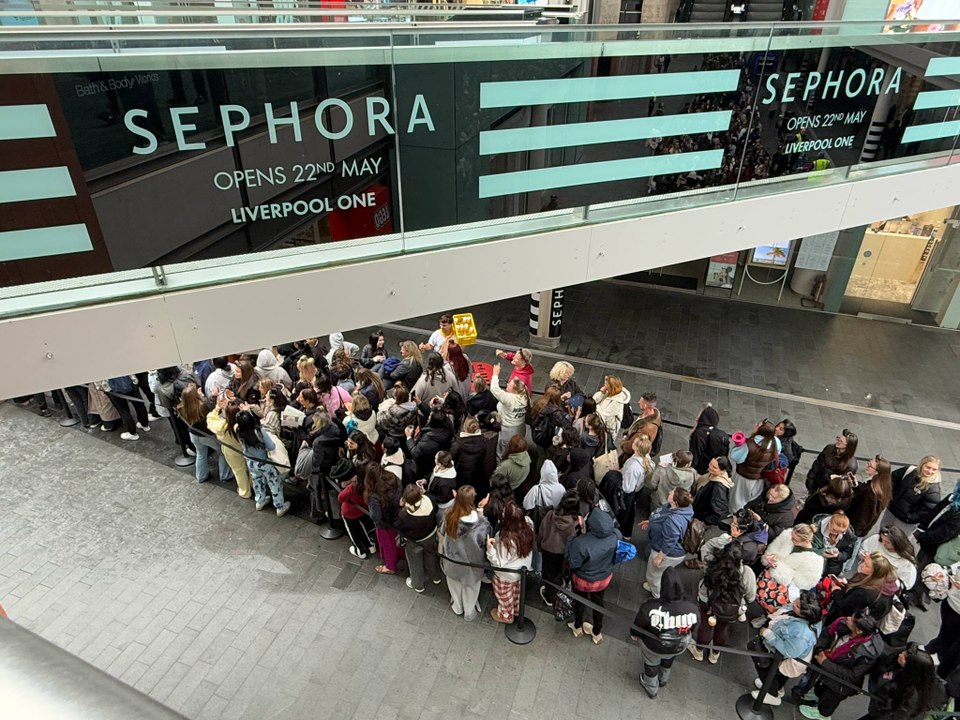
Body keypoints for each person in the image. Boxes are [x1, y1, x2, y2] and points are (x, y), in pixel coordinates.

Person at [799, 613, 884, 720]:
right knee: (822, 689)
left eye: (852, 621)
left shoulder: (866, 654)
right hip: (828, 671)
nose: (848, 618)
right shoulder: (842, 625)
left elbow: (852, 675)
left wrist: (826, 663)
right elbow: (827, 634)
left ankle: (822, 714)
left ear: (858, 631)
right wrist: (821, 649)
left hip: (841, 684)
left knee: (829, 699)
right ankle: (817, 697)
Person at [631, 568, 700, 699]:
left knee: (651, 664)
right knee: (669, 658)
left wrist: (634, 634)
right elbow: (695, 627)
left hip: (653, 645)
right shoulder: (692, 608)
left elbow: (638, 626)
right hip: (678, 644)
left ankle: (651, 688)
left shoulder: (650, 607)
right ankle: (663, 679)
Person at [749, 591, 822, 706]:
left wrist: (768, 635)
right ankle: (775, 688)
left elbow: (788, 651)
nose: (793, 603)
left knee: (765, 666)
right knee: (778, 673)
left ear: (805, 614)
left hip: (785, 656)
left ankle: (771, 693)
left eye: (797, 605)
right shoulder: (808, 618)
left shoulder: (802, 634)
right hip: (785, 654)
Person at [691, 543, 756, 664]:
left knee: (705, 626)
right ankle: (714, 654)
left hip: (708, 602)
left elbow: (705, 547)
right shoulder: (747, 573)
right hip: (730, 609)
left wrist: (721, 540)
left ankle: (698, 651)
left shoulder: (711, 563)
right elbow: (751, 597)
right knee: (722, 629)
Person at [566, 507, 621, 645]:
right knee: (598, 603)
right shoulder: (615, 536)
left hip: (583, 580)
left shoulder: (581, 543)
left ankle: (577, 626)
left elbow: (574, 563)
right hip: (603, 578)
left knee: (579, 602)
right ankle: (597, 632)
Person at [439, 486, 491, 621]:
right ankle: (469, 611)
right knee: (471, 589)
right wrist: (480, 512)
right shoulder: (481, 524)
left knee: (454, 586)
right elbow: (483, 541)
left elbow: (442, 531)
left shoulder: (448, 515)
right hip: (472, 565)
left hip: (452, 560)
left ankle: (457, 606)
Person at [857, 643, 945, 720]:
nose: (900, 654)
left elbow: (896, 715)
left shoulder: (909, 694)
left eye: (904, 657)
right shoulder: (924, 681)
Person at [756, 524, 824, 617]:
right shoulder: (787, 534)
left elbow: (804, 582)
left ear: (806, 540)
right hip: (768, 576)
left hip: (785, 588)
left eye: (795, 539)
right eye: (791, 535)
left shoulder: (815, 561)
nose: (791, 539)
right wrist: (771, 557)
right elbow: (773, 549)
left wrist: (778, 566)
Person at [234, 410, 291, 517]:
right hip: (264, 462)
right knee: (274, 482)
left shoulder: (238, 430)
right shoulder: (259, 431)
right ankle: (279, 506)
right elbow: (271, 446)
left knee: (257, 481)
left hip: (250, 461)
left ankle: (260, 501)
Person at [486, 500, 535, 623]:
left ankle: (506, 615)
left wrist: (490, 549)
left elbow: (499, 562)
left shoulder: (506, 539)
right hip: (522, 570)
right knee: (517, 592)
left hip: (506, 574)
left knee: (504, 596)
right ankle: (517, 610)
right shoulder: (529, 523)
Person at [642, 488, 694, 599]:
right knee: (659, 573)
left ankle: (656, 594)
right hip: (668, 549)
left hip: (667, 553)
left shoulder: (673, 521)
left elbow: (669, 542)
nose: (669, 491)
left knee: (654, 574)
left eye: (672, 493)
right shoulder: (683, 508)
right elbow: (660, 516)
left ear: (675, 502)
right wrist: (650, 522)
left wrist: (659, 557)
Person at [823, 551, 898, 626]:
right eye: (864, 562)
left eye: (866, 565)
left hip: (848, 621)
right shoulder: (885, 581)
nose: (862, 565)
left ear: (874, 573)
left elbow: (844, 605)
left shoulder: (866, 593)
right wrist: (846, 582)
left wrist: (836, 591)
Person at [176, 383, 230, 484]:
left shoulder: (181, 407)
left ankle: (201, 476)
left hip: (194, 435)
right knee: (223, 453)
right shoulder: (203, 406)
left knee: (201, 454)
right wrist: (213, 395)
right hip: (208, 435)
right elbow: (212, 407)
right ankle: (225, 475)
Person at [395, 484, 443, 593]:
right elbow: (435, 510)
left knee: (415, 562)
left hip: (415, 542)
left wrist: (400, 507)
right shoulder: (429, 500)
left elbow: (398, 526)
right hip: (431, 535)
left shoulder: (405, 515)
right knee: (430, 557)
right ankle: (435, 577)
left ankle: (418, 584)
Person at [538, 490, 582, 607]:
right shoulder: (576, 523)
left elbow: (541, 532)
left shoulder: (550, 515)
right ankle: (557, 586)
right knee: (559, 572)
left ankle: (549, 596)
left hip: (547, 550)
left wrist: (539, 546)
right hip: (563, 553)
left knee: (548, 574)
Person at [206, 397, 252, 499]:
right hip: (247, 449)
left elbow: (210, 419)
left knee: (239, 471)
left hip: (230, 450)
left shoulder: (221, 426)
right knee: (251, 468)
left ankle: (245, 491)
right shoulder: (244, 426)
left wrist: (217, 408)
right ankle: (254, 485)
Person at [729, 420, 779, 513]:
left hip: (743, 478)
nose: (755, 425)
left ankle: (736, 516)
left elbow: (736, 457)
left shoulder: (749, 444)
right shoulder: (776, 442)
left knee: (737, 500)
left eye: (757, 425)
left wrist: (738, 446)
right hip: (759, 478)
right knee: (752, 498)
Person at [884, 456, 943, 534]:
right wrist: (890, 497)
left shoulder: (933, 490)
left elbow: (926, 509)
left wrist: (909, 517)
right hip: (891, 511)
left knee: (897, 542)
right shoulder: (910, 471)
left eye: (934, 469)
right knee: (883, 533)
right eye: (928, 467)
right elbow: (892, 479)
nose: (930, 471)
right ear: (922, 465)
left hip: (905, 522)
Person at [364, 464, 403, 575]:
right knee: (397, 539)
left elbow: (375, 516)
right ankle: (400, 554)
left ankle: (390, 566)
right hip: (398, 515)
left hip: (385, 523)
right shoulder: (392, 477)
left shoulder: (374, 493)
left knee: (388, 544)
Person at [846, 455, 893, 537]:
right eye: (869, 461)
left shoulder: (871, 493)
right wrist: (856, 486)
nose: (867, 465)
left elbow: (863, 518)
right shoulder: (882, 486)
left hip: (852, 528)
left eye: (870, 466)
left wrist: (850, 533)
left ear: (877, 472)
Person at [490, 363, 529, 457]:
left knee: (503, 451)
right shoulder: (524, 395)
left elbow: (494, 389)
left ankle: (502, 467)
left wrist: (495, 374)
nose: (507, 384)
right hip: (520, 428)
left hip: (508, 430)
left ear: (515, 390)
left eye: (510, 385)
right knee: (517, 447)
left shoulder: (510, 399)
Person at [338, 463, 376, 560]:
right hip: (361, 511)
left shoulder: (352, 487)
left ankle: (359, 550)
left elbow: (340, 497)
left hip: (348, 512)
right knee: (361, 527)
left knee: (352, 531)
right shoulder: (368, 485)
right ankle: (370, 545)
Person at [861, 527, 918, 591]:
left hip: (880, 589)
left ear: (896, 543)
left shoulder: (906, 563)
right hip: (862, 577)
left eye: (887, 542)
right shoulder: (875, 539)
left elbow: (905, 584)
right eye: (882, 539)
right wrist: (863, 555)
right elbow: (863, 549)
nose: (883, 543)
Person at [805, 429, 859, 494]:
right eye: (838, 438)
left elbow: (841, 485)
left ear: (848, 446)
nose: (838, 441)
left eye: (841, 441)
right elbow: (817, 465)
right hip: (815, 485)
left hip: (827, 493)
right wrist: (810, 481)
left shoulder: (851, 465)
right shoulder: (829, 448)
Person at [621, 435, 655, 537]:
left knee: (625, 512)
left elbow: (627, 488)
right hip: (639, 488)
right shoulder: (647, 460)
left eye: (634, 443)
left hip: (630, 492)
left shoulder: (633, 467)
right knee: (631, 509)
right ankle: (627, 532)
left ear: (636, 448)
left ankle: (623, 531)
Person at [405, 410, 454, 480]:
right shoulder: (448, 426)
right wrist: (421, 404)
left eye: (430, 417)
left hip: (425, 464)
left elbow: (415, 453)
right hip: (434, 459)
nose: (428, 417)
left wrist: (409, 437)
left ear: (433, 422)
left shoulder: (427, 441)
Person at [645, 450, 697, 514]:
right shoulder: (692, 473)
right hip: (677, 505)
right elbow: (693, 486)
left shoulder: (662, 470)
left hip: (659, 502)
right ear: (687, 464)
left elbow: (652, 485)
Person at [811, 511, 858, 577]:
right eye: (834, 530)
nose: (836, 533)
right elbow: (807, 547)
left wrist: (838, 555)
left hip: (832, 570)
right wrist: (820, 552)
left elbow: (848, 555)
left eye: (841, 532)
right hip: (813, 566)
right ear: (829, 523)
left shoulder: (848, 537)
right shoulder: (815, 529)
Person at [692, 456, 734, 526]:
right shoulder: (713, 475)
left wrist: (704, 522)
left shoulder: (719, 487)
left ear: (722, 471)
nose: (710, 467)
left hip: (700, 516)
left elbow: (720, 513)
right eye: (711, 464)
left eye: (714, 467)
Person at [689, 405, 730, 475]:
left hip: (700, 470)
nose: (696, 419)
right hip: (711, 469)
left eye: (699, 417)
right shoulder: (721, 434)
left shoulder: (699, 434)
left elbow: (695, 455)